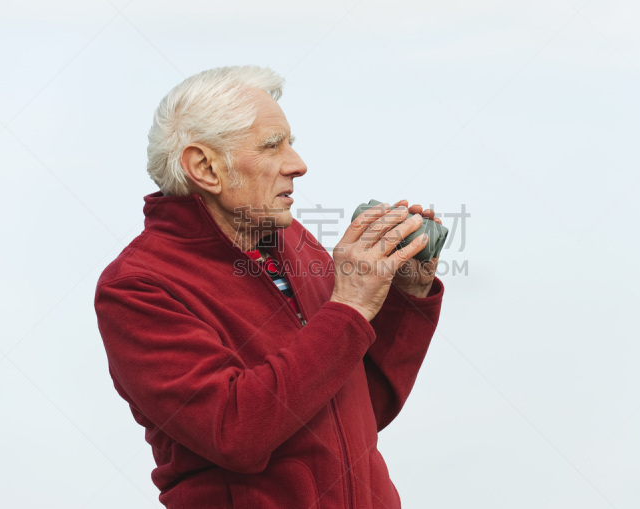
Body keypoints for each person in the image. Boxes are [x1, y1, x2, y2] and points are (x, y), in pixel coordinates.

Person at [94, 65, 444, 508]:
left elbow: (356, 410)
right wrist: (349, 306)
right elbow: (234, 433)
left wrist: (406, 298)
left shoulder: (294, 240)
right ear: (205, 167)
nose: (297, 165)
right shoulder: (137, 288)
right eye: (272, 145)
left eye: (290, 143)